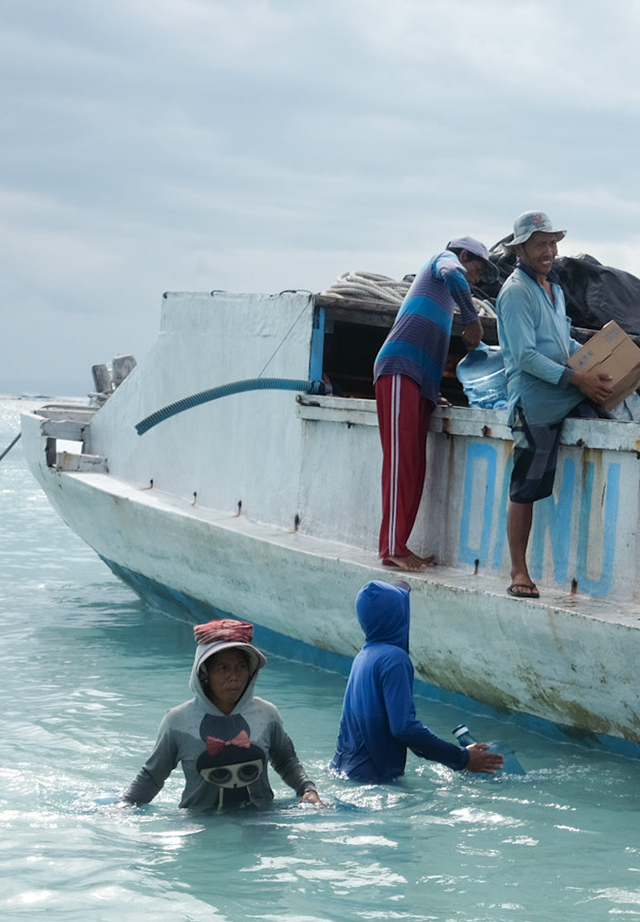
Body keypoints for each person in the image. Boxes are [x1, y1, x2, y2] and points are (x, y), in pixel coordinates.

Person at [495, 211, 617, 599]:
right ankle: (518, 570)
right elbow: (527, 356)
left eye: (552, 243)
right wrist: (578, 377)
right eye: (539, 245)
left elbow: (563, 345)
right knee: (524, 489)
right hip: (534, 403)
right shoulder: (516, 292)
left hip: (562, 396)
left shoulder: (554, 288)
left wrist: (598, 359)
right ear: (522, 249)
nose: (548, 251)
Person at [371, 236, 495, 573]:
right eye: (477, 269)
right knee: (400, 462)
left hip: (418, 381)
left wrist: (431, 389)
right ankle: (392, 547)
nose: (477, 279)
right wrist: (472, 319)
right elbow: (454, 273)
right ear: (464, 255)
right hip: (398, 370)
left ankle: (400, 544)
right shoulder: (443, 261)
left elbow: (430, 342)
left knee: (415, 465)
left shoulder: (443, 296)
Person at [123, 619, 321, 812]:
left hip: (260, 823)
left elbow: (286, 761)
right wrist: (123, 806)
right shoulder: (177, 721)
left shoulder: (266, 714)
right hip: (201, 827)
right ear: (204, 674)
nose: (233, 675)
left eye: (241, 666)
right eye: (223, 668)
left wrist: (307, 789)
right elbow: (152, 776)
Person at [330, 580, 503, 782]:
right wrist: (462, 758)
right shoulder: (394, 659)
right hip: (371, 780)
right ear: (397, 616)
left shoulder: (363, 657)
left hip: (343, 770)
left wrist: (455, 756)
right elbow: (404, 729)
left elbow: (402, 730)